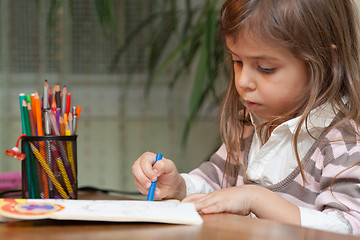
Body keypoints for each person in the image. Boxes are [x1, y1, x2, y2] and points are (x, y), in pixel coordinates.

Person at [132, 0, 360, 235]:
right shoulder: (250, 125)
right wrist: (178, 186)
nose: (242, 81)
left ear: (327, 62)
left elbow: (349, 227)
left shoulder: (342, 143)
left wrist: (257, 198)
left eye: (265, 68)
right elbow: (215, 186)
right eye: (237, 61)